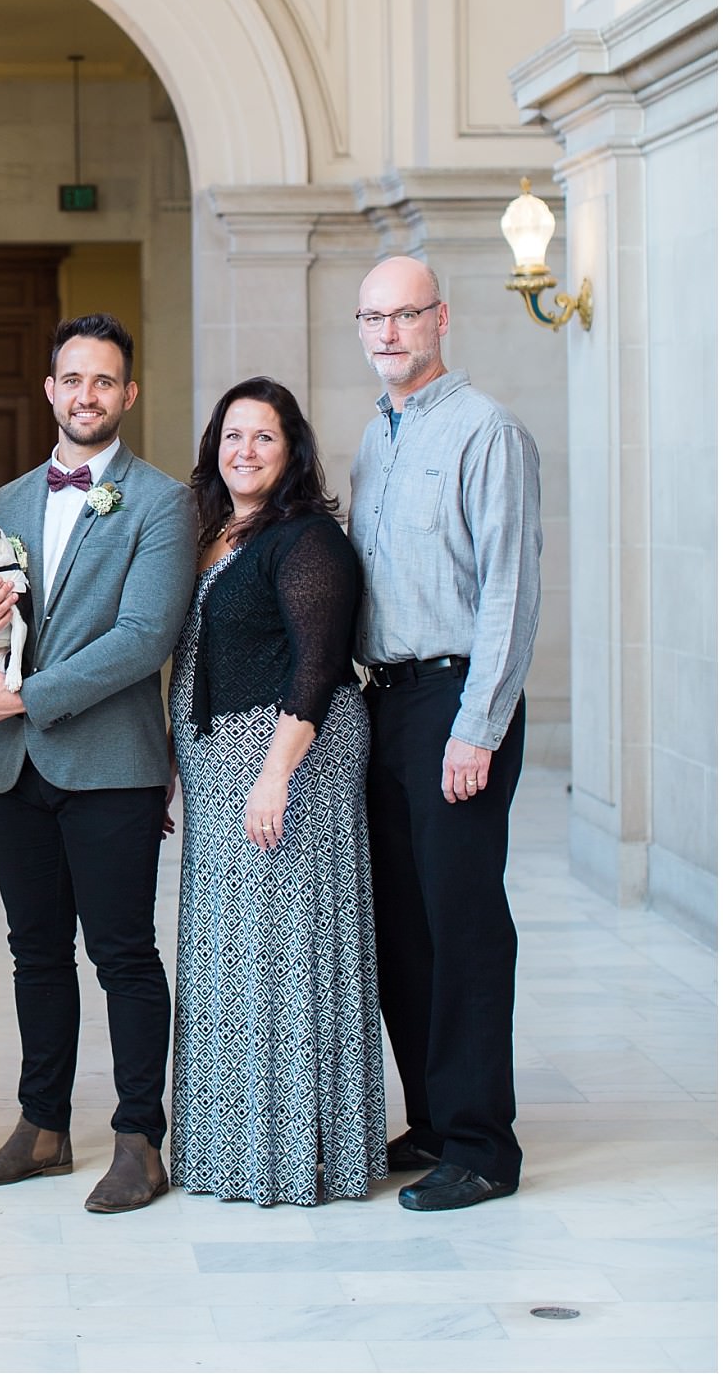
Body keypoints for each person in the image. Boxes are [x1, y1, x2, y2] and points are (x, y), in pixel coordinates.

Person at [0, 313, 197, 1215]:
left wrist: (30, 696)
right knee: (34, 955)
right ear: (49, 389)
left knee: (124, 955)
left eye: (105, 382)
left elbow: (145, 638)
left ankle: (139, 1140)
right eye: (72, 380)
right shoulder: (7, 503)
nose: (86, 396)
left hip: (112, 766)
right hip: (14, 768)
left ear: (126, 395)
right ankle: (42, 1128)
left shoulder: (165, 503)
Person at [347, 255, 541, 1213]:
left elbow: (508, 588)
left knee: (462, 926)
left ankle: (481, 1146)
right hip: (385, 703)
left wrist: (479, 728)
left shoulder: (486, 430)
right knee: (402, 926)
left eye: (405, 315)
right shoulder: (373, 442)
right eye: (372, 318)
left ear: (442, 319)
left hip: (457, 702)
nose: (388, 333)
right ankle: (432, 1115)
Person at [168, 377, 384, 1206]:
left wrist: (274, 773)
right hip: (222, 769)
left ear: (291, 450)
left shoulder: (308, 540)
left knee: (284, 959)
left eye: (263, 437)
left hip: (287, 765)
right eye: (231, 436)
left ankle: (298, 1156)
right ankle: (232, 1148)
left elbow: (319, 664)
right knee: (231, 959)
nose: (244, 452)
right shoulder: (212, 532)